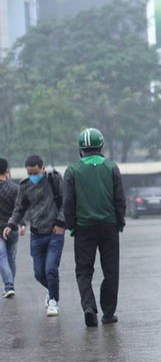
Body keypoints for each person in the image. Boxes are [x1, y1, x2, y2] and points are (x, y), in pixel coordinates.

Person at [62, 128, 127, 327]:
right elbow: (120, 199)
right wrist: (120, 221)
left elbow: (68, 202)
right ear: (101, 147)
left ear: (81, 149)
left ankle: (89, 307)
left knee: (83, 271)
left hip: (83, 228)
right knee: (110, 271)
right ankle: (108, 314)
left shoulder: (72, 170)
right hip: (109, 226)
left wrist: (72, 226)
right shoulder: (111, 167)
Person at [2, 155, 65, 317]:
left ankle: (53, 301)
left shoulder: (54, 180)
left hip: (54, 232)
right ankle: (51, 290)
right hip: (36, 234)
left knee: (51, 268)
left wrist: (60, 223)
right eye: (29, 173)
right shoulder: (24, 185)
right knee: (39, 273)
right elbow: (19, 208)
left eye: (35, 172)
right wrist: (11, 224)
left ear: (42, 169)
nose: (33, 176)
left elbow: (66, 202)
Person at [0, 158, 22, 298]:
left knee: (2, 257)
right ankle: (10, 285)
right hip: (12, 227)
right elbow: (20, 207)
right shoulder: (15, 188)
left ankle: (8, 286)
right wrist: (22, 223)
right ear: (7, 170)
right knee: (11, 258)